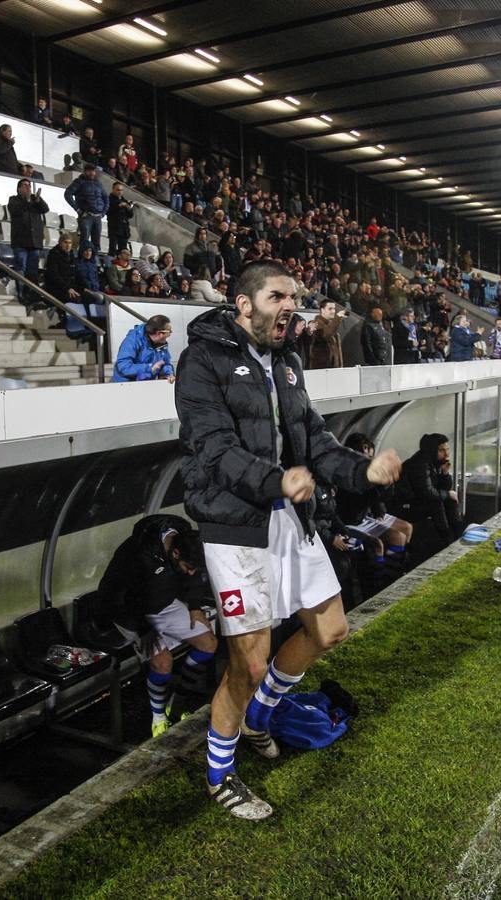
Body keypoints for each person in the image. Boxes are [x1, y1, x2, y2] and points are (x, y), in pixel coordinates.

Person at [174, 259, 402, 819]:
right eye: (278, 297)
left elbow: (316, 439)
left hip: (290, 519)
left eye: (293, 297)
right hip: (237, 529)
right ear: (244, 303)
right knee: (247, 666)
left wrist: (359, 472)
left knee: (330, 627)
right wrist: (276, 480)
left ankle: (259, 717)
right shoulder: (202, 360)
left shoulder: (288, 362)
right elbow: (213, 448)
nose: (290, 307)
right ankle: (220, 775)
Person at [98, 515, 217, 737]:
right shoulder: (137, 554)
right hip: (131, 612)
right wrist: (144, 630)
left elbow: (193, 577)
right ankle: (158, 718)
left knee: (208, 643)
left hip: (164, 604)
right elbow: (118, 596)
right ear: (175, 553)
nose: (191, 572)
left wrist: (194, 606)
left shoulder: (186, 543)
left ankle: (177, 701)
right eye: (187, 567)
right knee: (163, 662)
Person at [337, 433, 413, 567]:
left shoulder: (367, 473)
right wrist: (382, 486)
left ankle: (397, 567)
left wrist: (388, 483)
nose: (369, 460)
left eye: (370, 456)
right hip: (349, 522)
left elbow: (380, 499)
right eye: (365, 455)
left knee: (406, 528)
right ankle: (385, 575)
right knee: (395, 538)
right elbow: (363, 500)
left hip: (364, 516)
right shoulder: (345, 473)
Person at [402, 433, 460, 561]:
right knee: (436, 503)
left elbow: (442, 489)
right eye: (442, 450)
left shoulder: (434, 462)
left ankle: (457, 536)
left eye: (448, 449)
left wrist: (445, 474)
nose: (447, 454)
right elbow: (427, 493)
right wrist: (447, 493)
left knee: (449, 500)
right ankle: (448, 542)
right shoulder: (420, 463)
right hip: (404, 505)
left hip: (418, 501)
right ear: (432, 450)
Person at [6, 177, 48, 305]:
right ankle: (21, 294)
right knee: (21, 267)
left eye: (29, 185)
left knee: (32, 270)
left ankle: (32, 294)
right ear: (19, 188)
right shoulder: (13, 200)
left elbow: (45, 209)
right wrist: (28, 200)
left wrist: (38, 200)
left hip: (34, 241)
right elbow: (15, 210)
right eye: (25, 185)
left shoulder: (35, 200)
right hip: (20, 241)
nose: (28, 187)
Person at [113, 314, 174, 383]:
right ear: (159, 333)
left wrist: (168, 374)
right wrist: (149, 368)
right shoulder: (132, 340)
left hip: (147, 383)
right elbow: (124, 367)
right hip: (126, 384)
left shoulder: (162, 343)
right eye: (169, 332)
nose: (169, 335)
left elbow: (165, 363)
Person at [65, 162, 107, 253]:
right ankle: (81, 263)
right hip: (86, 216)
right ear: (84, 171)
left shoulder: (98, 183)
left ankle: (92, 264)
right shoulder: (79, 182)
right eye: (89, 171)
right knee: (84, 241)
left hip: (97, 216)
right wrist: (78, 210)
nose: (92, 173)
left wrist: (103, 212)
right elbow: (67, 194)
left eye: (93, 171)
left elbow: (105, 198)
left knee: (96, 243)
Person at [306, 298, 345, 369]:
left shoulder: (331, 325)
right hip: (322, 371)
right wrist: (337, 318)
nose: (333, 311)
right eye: (330, 309)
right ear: (322, 310)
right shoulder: (316, 324)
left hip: (333, 370)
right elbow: (326, 335)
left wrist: (340, 367)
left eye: (334, 309)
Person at [106, 181, 133, 256]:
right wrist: (119, 206)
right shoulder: (109, 200)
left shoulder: (125, 201)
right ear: (113, 189)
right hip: (114, 227)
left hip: (124, 228)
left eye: (121, 190)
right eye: (118, 190)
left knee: (123, 250)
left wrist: (127, 207)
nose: (120, 192)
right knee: (113, 248)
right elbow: (108, 212)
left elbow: (131, 215)